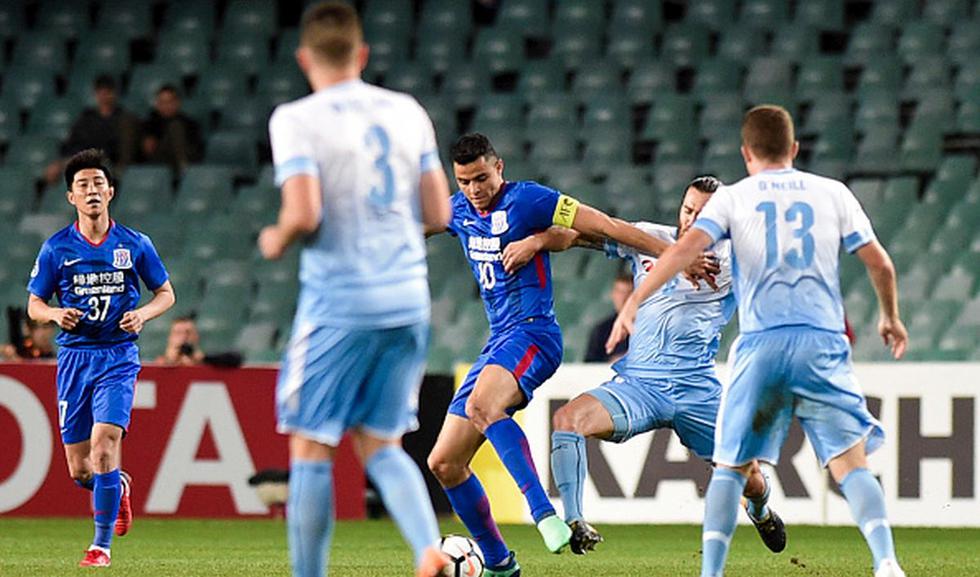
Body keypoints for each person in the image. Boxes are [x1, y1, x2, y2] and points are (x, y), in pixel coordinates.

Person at [609, 106, 908, 577]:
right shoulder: (833, 193)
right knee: (850, 464)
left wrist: (632, 303)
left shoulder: (733, 198)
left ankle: (712, 573)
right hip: (822, 342)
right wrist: (890, 317)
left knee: (730, 467)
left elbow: (683, 250)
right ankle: (886, 561)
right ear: (794, 149)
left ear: (747, 153)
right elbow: (881, 265)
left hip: (762, 343)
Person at [424, 132, 718, 577]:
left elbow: (606, 226)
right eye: (465, 181)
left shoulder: (531, 200)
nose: (475, 190)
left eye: (481, 178)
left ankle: (543, 514)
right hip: (497, 341)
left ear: (498, 167)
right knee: (444, 462)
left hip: (533, 335)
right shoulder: (459, 209)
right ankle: (502, 565)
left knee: (484, 405)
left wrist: (679, 255)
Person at [257, 3, 453, 577]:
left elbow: (305, 211)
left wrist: (277, 236)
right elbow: (439, 211)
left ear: (303, 59)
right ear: (362, 54)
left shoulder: (296, 119)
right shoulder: (407, 111)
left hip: (339, 303)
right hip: (407, 301)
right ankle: (428, 548)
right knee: (382, 445)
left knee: (311, 449)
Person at [510, 176, 785, 555]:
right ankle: (575, 522)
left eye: (704, 214)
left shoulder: (738, 257)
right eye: (688, 210)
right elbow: (577, 235)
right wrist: (538, 240)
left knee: (749, 478)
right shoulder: (649, 238)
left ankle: (760, 508)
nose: (692, 219)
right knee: (567, 421)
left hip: (697, 391)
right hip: (639, 386)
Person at [27, 148, 175, 567]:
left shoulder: (134, 244)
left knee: (104, 445)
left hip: (117, 356)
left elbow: (166, 294)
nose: (91, 191)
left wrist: (141, 315)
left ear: (110, 191)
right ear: (71, 198)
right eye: (82, 186)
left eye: (97, 184)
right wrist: (55, 312)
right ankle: (118, 487)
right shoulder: (56, 249)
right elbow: (35, 304)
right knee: (81, 470)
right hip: (74, 359)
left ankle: (100, 546)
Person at [45, 75, 140, 184]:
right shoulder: (87, 118)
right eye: (101, 92)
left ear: (114, 93)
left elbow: (123, 153)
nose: (104, 96)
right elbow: (73, 143)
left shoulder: (124, 119)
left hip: (108, 164)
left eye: (108, 92)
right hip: (84, 161)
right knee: (54, 170)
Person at [140, 84, 204, 173]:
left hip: (183, 162)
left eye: (169, 102)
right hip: (158, 162)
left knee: (175, 126)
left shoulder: (190, 123)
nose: (166, 106)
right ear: (157, 104)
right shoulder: (150, 122)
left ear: (177, 103)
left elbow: (196, 150)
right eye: (162, 102)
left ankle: (183, 170)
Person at [583, 272, 632, 363]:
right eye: (620, 292)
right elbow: (589, 364)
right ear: (613, 294)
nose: (623, 298)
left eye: (628, 293)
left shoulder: (649, 327)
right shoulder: (601, 329)